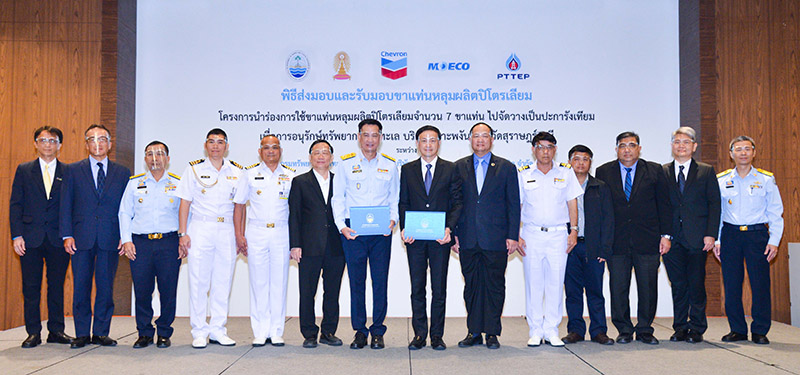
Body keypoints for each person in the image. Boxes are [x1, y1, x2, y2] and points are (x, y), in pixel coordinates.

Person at [595, 131, 672, 345]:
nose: (627, 149)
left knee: (648, 287)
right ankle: (624, 329)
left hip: (648, 240)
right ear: (616, 149)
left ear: (639, 148)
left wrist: (666, 236)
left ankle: (645, 329)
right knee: (618, 287)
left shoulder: (655, 170)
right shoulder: (604, 171)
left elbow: (664, 205)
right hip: (616, 241)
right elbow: (601, 209)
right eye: (622, 145)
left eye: (631, 145)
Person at [60, 124, 131, 348]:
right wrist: (67, 235)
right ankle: (81, 333)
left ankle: (101, 332)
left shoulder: (122, 172)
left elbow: (126, 207)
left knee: (105, 286)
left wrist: (124, 235)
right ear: (86, 144)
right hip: (81, 237)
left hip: (110, 237)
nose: (97, 143)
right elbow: (65, 205)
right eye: (92, 139)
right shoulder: (72, 170)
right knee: (80, 286)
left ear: (110, 144)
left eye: (102, 139)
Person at [452, 122, 520, 350]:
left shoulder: (506, 167)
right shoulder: (458, 167)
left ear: (492, 139)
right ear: (470, 139)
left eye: (485, 136)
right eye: (476, 136)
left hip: (496, 237)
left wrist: (513, 235)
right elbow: (455, 203)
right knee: (471, 286)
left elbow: (513, 204)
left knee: (494, 285)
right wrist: (454, 235)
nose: (480, 140)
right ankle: (473, 331)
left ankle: (492, 332)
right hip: (468, 237)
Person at [332, 119, 399, 350]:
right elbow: (337, 197)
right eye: (366, 135)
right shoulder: (345, 164)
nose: (370, 139)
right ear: (359, 137)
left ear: (380, 138)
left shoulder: (390, 165)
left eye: (375, 135)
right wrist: (342, 226)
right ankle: (359, 331)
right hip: (354, 231)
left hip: (381, 232)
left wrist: (393, 221)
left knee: (380, 282)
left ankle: (378, 330)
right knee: (356, 282)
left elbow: (394, 198)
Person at [175, 128, 243, 349]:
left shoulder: (236, 172)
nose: (216, 146)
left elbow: (238, 208)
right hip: (200, 228)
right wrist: (182, 233)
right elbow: (184, 203)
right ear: (206, 145)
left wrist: (238, 235)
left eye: (220, 142)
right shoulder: (193, 169)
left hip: (226, 231)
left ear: (226, 146)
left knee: (223, 282)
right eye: (212, 142)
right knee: (199, 281)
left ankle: (218, 329)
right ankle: (199, 331)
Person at [714, 135, 783, 345]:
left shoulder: (765, 179)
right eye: (738, 149)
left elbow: (775, 213)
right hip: (730, 235)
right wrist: (717, 240)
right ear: (731, 154)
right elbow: (717, 213)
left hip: (757, 235)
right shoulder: (721, 180)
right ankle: (737, 329)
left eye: (747, 149)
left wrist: (774, 241)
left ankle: (760, 330)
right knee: (732, 284)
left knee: (760, 284)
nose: (743, 153)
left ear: (754, 152)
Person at [399, 125, 463, 351]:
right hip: (415, 240)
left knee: (439, 288)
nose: (428, 144)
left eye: (432, 140)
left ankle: (437, 335)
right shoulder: (407, 170)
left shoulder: (451, 169)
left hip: (440, 240)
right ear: (417, 143)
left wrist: (449, 229)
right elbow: (404, 202)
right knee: (417, 287)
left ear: (439, 143)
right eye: (423, 140)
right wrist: (404, 228)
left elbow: (457, 202)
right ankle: (419, 334)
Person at [517, 132, 583, 347]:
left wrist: (573, 231)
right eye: (540, 147)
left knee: (555, 284)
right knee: (534, 284)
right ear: (533, 149)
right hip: (531, 235)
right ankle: (535, 330)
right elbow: (517, 206)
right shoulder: (523, 174)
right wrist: (516, 234)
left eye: (549, 147)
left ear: (555, 149)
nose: (545, 151)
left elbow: (572, 203)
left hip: (558, 235)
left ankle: (552, 330)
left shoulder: (566, 172)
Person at [9, 126, 73, 348]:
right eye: (43, 140)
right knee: (31, 287)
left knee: (56, 286)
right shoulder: (24, 170)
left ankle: (56, 330)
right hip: (30, 238)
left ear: (59, 145)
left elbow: (72, 206)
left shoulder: (68, 171)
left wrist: (69, 235)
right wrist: (16, 235)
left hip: (58, 238)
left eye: (53, 141)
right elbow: (15, 204)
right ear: (35, 143)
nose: (48, 144)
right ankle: (33, 332)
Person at [118, 141, 181, 349]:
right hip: (141, 244)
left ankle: (164, 332)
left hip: (169, 243)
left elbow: (186, 214)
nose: (155, 158)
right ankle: (144, 332)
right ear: (145, 159)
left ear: (168, 159)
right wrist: (126, 239)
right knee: (142, 290)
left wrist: (183, 237)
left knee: (168, 289)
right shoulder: (134, 183)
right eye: (150, 154)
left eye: (160, 153)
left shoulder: (178, 183)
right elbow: (125, 212)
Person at [233, 135, 295, 347]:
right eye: (266, 148)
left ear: (280, 150)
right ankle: (260, 331)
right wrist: (239, 235)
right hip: (256, 232)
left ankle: (276, 330)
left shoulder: (290, 175)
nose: (271, 151)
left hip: (281, 232)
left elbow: (295, 212)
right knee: (258, 282)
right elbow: (239, 206)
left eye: (275, 147)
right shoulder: (249, 174)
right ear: (260, 151)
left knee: (279, 282)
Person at [661, 127, 721, 344]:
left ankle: (696, 328)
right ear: (672, 146)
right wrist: (664, 235)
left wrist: (711, 234)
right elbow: (662, 206)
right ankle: (679, 327)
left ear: (694, 146)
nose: (681, 146)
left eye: (686, 142)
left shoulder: (706, 171)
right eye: (677, 142)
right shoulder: (663, 171)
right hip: (671, 239)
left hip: (698, 238)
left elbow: (714, 204)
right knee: (677, 284)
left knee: (696, 284)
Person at [289, 139, 346, 349]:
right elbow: (294, 216)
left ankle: (329, 331)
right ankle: (309, 333)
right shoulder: (300, 181)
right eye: (316, 152)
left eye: (325, 152)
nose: (321, 156)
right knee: (307, 291)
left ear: (332, 157)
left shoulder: (340, 180)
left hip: (336, 246)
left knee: (332, 292)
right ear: (310, 157)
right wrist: (295, 244)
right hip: (308, 246)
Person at [561, 145, 615, 345]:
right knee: (573, 292)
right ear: (569, 162)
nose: (581, 163)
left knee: (595, 292)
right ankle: (575, 330)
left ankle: (599, 331)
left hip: (593, 247)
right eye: (576, 159)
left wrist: (605, 249)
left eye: (585, 159)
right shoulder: (562, 185)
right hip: (569, 247)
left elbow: (609, 219)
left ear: (590, 163)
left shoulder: (600, 186)